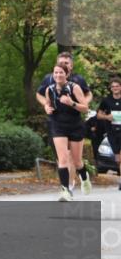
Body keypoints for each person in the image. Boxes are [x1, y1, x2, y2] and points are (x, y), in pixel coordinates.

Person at [36, 52, 93, 189]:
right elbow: (43, 98)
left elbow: (86, 102)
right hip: (57, 123)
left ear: (70, 67)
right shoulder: (49, 84)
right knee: (63, 158)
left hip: (74, 123)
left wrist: (74, 103)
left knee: (76, 161)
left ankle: (82, 178)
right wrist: (46, 107)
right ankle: (66, 189)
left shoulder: (77, 82)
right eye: (56, 71)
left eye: (65, 64)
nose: (58, 74)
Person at [96, 76, 121, 191]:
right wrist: (107, 117)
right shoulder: (106, 101)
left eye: (117, 86)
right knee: (118, 159)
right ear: (110, 88)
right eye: (113, 87)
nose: (115, 88)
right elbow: (98, 115)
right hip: (112, 131)